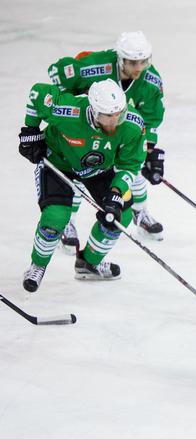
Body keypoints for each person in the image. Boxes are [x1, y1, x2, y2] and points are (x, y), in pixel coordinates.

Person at [19, 79, 145, 292]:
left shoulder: (132, 124)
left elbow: (130, 164)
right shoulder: (68, 111)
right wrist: (31, 131)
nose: (115, 121)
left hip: (99, 169)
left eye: (119, 114)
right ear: (94, 112)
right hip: (58, 163)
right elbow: (37, 93)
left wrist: (116, 193)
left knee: (120, 216)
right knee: (55, 218)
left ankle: (88, 263)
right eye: (108, 116)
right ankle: (37, 266)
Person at [48, 31, 165, 246]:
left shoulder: (150, 80)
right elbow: (56, 72)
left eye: (143, 62)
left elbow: (151, 115)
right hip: (86, 127)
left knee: (132, 168)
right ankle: (68, 222)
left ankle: (140, 213)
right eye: (132, 62)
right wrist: (70, 102)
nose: (139, 68)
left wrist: (148, 150)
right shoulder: (97, 67)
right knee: (81, 169)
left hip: (116, 130)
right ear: (120, 59)